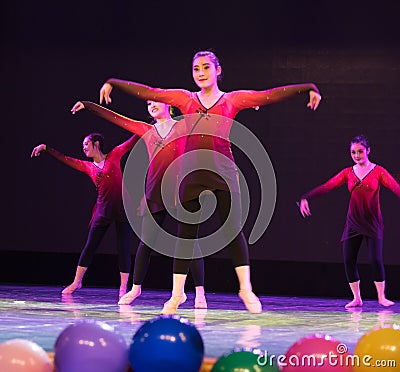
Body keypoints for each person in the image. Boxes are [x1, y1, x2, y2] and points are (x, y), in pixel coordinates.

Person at [98, 50, 322, 314]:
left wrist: (308, 87)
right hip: (191, 175)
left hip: (223, 172)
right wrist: (113, 82)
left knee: (232, 231)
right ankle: (177, 294)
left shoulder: (232, 100)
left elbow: (268, 95)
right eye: (196, 69)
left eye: (206, 67)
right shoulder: (185, 98)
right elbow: (151, 92)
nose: (201, 73)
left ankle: (245, 289)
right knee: (186, 236)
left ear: (218, 70)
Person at [70, 100, 207, 308]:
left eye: (156, 101)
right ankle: (136, 288)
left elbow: (208, 115)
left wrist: (246, 104)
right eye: (148, 103)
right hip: (154, 192)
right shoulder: (146, 129)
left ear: (168, 105)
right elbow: (116, 118)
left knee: (189, 244)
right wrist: (89, 106)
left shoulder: (182, 126)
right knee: (146, 243)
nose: (151, 105)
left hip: (179, 190)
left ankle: (199, 293)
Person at [31, 132, 139, 299]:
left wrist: (153, 124)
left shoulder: (115, 155)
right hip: (102, 211)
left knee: (123, 249)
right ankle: (77, 281)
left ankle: (123, 289)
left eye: (86, 144)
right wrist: (46, 148)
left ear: (96, 144)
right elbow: (66, 159)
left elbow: (133, 139)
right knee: (90, 247)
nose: (83, 148)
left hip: (123, 210)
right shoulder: (88, 166)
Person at [299, 134, 399, 308]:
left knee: (375, 259)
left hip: (373, 222)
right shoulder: (348, 173)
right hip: (353, 223)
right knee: (349, 260)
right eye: (353, 152)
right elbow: (327, 186)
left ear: (368, 151)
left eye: (360, 151)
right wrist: (306, 197)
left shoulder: (378, 172)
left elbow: (396, 188)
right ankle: (357, 298)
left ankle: (381, 297)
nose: (357, 155)